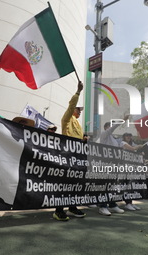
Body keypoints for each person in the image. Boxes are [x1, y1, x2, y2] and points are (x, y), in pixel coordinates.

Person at [54, 81, 86, 220]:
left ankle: (72, 207)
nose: (80, 111)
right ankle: (58, 210)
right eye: (79, 109)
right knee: (64, 184)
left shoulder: (78, 123)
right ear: (73, 109)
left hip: (77, 157)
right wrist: (78, 92)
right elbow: (71, 105)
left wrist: (84, 140)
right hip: (67, 155)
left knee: (75, 184)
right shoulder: (67, 119)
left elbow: (77, 138)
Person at [98, 120, 128, 216]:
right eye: (110, 126)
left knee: (112, 185)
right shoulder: (104, 134)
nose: (112, 128)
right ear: (106, 127)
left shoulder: (114, 139)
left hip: (114, 164)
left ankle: (112, 204)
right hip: (106, 164)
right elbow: (112, 129)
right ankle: (103, 206)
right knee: (105, 185)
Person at [120, 133, 143, 210]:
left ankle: (130, 202)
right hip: (124, 168)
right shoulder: (122, 143)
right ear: (124, 137)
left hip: (131, 168)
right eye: (127, 136)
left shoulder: (132, 144)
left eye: (130, 136)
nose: (129, 137)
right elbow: (132, 149)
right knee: (126, 186)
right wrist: (139, 146)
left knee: (131, 186)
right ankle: (127, 203)